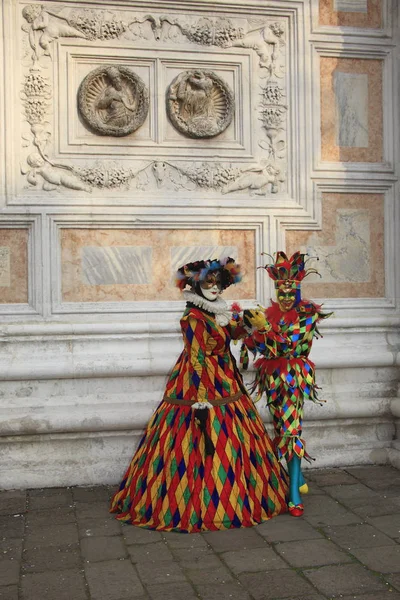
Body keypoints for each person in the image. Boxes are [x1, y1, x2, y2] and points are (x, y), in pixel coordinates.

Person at [110, 257, 288, 532]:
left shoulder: (215, 312)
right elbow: (196, 358)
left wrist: (251, 325)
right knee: (199, 435)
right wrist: (201, 398)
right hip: (200, 380)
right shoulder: (192, 317)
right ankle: (193, 503)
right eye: (208, 282)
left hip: (224, 375)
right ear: (195, 285)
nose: (215, 288)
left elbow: (231, 335)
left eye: (219, 283)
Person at [241, 252, 332, 517]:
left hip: (294, 379)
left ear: (299, 290)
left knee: (292, 431)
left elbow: (290, 346)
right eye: (281, 292)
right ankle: (297, 478)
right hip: (272, 379)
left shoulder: (307, 315)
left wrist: (265, 330)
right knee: (281, 426)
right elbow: (262, 347)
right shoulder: (271, 314)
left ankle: (292, 492)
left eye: (291, 292)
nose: (286, 297)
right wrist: (248, 332)